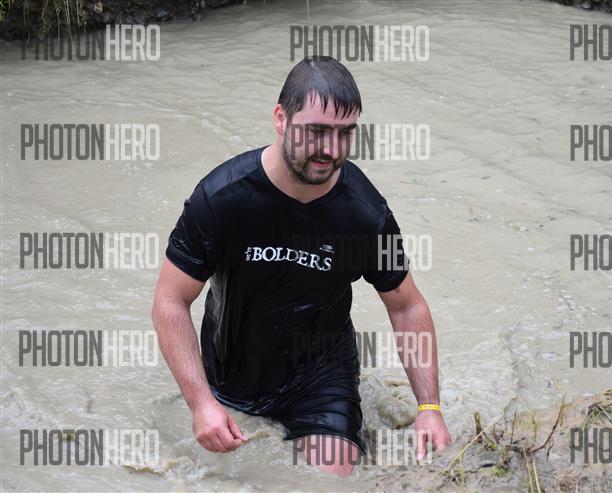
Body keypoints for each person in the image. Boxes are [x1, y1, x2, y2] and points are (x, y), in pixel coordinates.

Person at [151, 56, 450, 476]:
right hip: (230, 373)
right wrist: (201, 403)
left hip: (321, 380)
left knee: (332, 479)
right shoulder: (221, 199)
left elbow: (406, 306)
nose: (331, 150)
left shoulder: (365, 215)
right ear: (281, 118)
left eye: (345, 133)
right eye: (317, 131)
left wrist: (429, 408)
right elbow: (170, 300)